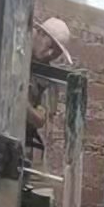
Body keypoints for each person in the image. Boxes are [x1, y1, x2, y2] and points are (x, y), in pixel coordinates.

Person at [27, 17, 73, 145]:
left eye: (55, 54)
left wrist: (21, 104)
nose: (49, 54)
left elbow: (41, 119)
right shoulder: (15, 47)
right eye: (50, 46)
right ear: (41, 33)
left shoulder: (47, 77)